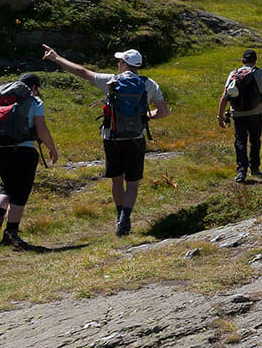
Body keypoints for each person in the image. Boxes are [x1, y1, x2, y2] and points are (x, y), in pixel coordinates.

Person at [42, 45, 168, 237]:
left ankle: (119, 217)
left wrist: (56, 58)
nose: (118, 63)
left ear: (124, 64)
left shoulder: (111, 81)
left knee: (116, 179)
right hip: (136, 138)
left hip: (112, 137)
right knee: (133, 182)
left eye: (119, 61)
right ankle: (126, 218)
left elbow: (82, 72)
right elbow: (163, 111)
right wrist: (145, 117)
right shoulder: (149, 84)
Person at [0, 72, 58, 248]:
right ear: (34, 87)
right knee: (20, 192)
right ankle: (11, 233)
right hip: (23, 152)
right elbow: (41, 129)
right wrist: (52, 148)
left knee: (7, 186)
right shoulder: (34, 101)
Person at [217, 48, 262, 183]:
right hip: (257, 112)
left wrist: (220, 116)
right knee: (255, 140)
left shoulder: (234, 73)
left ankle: (241, 171)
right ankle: (254, 168)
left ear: (242, 60)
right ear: (255, 60)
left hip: (237, 113)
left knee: (240, 141)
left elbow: (224, 96)